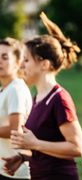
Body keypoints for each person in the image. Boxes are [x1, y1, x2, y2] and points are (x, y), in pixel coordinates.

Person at [2, 12, 82, 180]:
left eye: (26, 60)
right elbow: (46, 148)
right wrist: (23, 157)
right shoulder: (37, 99)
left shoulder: (59, 99)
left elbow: (78, 148)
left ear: (44, 64)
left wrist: (35, 144)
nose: (22, 66)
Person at [0, 38, 32, 180]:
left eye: (5, 57)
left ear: (18, 63)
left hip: (15, 172)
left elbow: (15, 131)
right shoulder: (4, 89)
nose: (0, 61)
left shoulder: (16, 89)